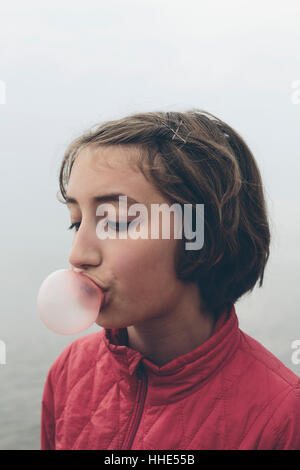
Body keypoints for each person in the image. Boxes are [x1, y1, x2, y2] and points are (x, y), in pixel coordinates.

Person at [40, 109, 300, 450]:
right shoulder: (70, 371)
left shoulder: (283, 414)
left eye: (116, 221)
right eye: (77, 222)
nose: (78, 255)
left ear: (203, 236)